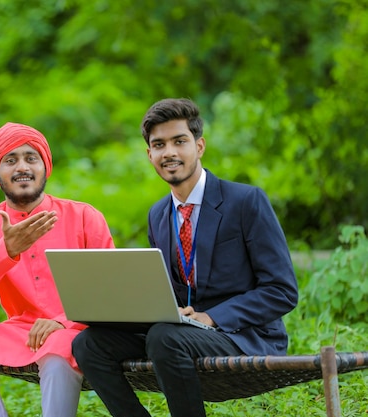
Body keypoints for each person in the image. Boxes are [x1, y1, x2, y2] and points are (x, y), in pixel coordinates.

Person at [72, 98, 299, 417]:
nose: (170, 153)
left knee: (165, 338)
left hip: (244, 336)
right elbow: (173, 289)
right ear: (149, 154)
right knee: (88, 344)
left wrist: (212, 317)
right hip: (181, 332)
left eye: (179, 141)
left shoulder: (246, 201)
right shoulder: (158, 215)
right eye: (159, 144)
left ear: (200, 145)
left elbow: (282, 291)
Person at [0, 122, 115, 417]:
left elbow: (111, 287)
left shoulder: (84, 216)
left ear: (45, 166)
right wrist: (5, 252)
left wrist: (63, 320)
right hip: (22, 330)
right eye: (11, 160)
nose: (22, 167)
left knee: (58, 351)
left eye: (31, 158)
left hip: (77, 328)